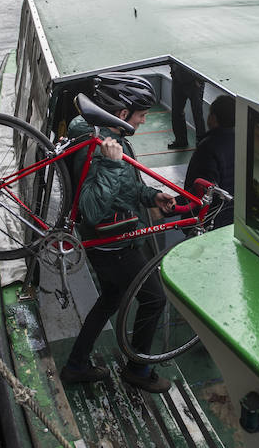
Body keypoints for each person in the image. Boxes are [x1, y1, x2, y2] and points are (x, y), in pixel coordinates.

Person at [60, 73, 177, 393]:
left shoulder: (109, 139)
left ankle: (76, 364)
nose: (143, 120)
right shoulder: (96, 148)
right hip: (113, 245)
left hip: (112, 243)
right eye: (141, 114)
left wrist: (152, 197)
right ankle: (137, 369)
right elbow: (95, 209)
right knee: (154, 300)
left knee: (110, 299)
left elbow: (123, 188)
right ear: (122, 114)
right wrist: (112, 166)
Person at [184, 95, 236, 229]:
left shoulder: (208, 147)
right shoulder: (243, 142)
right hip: (233, 217)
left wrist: (171, 207)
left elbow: (203, 189)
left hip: (211, 219)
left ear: (213, 118)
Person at [168, 62, 206, 150]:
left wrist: (199, 80)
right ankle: (180, 140)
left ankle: (201, 143)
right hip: (178, 79)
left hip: (194, 83)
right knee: (176, 111)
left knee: (197, 114)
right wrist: (173, 72)